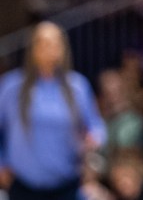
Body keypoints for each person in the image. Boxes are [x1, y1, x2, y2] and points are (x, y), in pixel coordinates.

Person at [0, 22, 107, 200]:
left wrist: (94, 138)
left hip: (66, 185)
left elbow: (96, 126)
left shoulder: (77, 86)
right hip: (22, 185)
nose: (50, 48)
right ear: (32, 47)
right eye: (43, 43)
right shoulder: (12, 86)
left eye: (55, 42)